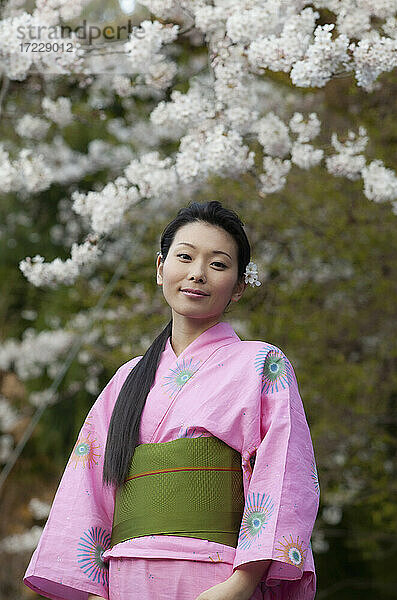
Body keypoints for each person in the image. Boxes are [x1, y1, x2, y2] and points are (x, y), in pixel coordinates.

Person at [23, 201, 320, 600]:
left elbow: (283, 475)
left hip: (219, 578)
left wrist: (242, 583)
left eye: (218, 264)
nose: (197, 273)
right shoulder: (127, 380)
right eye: (185, 257)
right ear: (160, 267)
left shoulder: (262, 364)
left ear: (238, 287)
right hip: (124, 578)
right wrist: (95, 593)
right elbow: (88, 489)